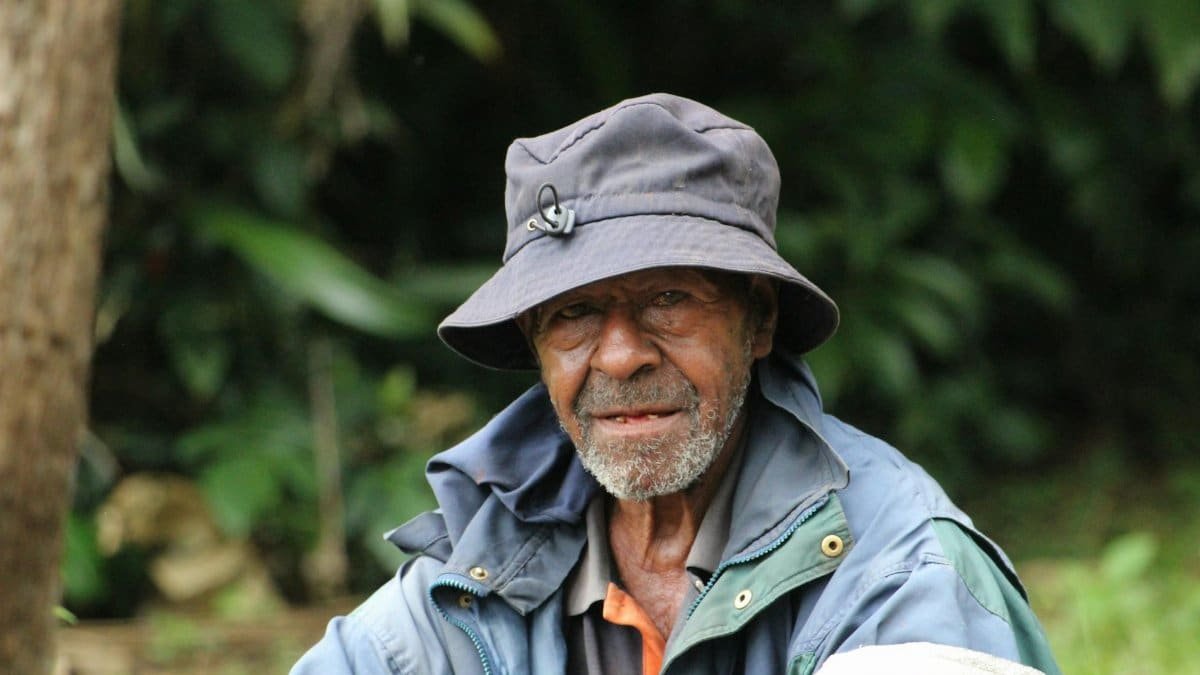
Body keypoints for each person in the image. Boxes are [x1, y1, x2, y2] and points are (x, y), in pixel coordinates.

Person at [292, 93, 1060, 675]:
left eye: (667, 299)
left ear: (756, 323)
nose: (620, 356)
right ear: (536, 343)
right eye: (576, 313)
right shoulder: (484, 564)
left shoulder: (903, 574)